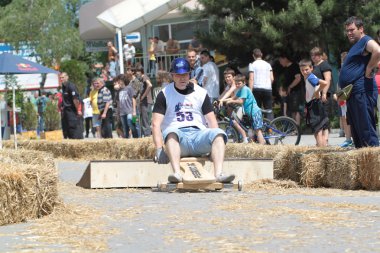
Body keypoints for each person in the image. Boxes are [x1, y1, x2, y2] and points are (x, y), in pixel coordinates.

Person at [152, 57, 235, 183]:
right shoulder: (164, 94)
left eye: (185, 74)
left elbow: (211, 121)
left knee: (218, 133)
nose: (182, 78)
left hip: (198, 137)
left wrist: (214, 146)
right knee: (170, 132)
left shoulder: (201, 92)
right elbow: (155, 124)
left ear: (189, 74)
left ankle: (218, 174)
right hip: (179, 140)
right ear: (172, 75)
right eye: (178, 75)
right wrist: (159, 149)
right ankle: (177, 174)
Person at [339, 16, 380, 148]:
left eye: (352, 30)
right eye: (347, 31)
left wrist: (369, 69)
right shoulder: (357, 45)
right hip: (353, 93)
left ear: (361, 29)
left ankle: (374, 163)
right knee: (357, 133)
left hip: (361, 90)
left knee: (366, 130)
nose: (349, 33)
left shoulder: (365, 40)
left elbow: (377, 50)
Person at [223, 74, 265, 144]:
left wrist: (231, 101)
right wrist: (221, 100)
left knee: (257, 131)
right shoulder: (241, 90)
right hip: (250, 113)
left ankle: (262, 148)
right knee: (251, 132)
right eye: (236, 84)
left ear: (244, 82)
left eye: (239, 84)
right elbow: (233, 98)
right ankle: (253, 146)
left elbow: (241, 101)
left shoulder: (245, 89)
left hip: (254, 112)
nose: (237, 85)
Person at [299, 59, 329, 147]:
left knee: (318, 130)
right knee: (318, 131)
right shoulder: (309, 77)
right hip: (312, 104)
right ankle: (322, 150)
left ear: (311, 68)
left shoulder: (310, 77)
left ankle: (321, 151)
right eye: (302, 70)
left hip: (315, 104)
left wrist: (317, 92)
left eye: (306, 69)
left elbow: (324, 83)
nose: (304, 72)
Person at [218, 68, 248, 143]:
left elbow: (229, 92)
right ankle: (237, 134)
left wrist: (222, 100)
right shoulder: (229, 85)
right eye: (225, 77)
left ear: (233, 77)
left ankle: (244, 138)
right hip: (236, 104)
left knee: (234, 121)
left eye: (229, 76)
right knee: (229, 114)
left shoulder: (235, 84)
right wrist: (218, 100)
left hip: (242, 105)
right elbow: (224, 92)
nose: (227, 79)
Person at [310, 47, 333, 143]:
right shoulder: (314, 66)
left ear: (320, 56)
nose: (313, 57)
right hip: (316, 95)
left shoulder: (324, 65)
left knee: (324, 118)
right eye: (312, 56)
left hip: (324, 94)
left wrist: (324, 93)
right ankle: (320, 141)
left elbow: (328, 80)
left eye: (315, 55)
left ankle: (325, 140)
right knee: (318, 119)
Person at [248, 48, 274, 120]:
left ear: (253, 56)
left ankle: (258, 127)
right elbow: (272, 78)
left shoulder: (252, 65)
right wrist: (268, 85)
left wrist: (250, 91)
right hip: (267, 89)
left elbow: (251, 79)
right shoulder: (268, 65)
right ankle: (271, 128)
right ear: (261, 55)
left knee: (256, 109)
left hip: (257, 89)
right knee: (269, 109)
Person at [278, 54, 303, 126]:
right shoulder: (285, 68)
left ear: (285, 58)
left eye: (280, 60)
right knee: (291, 110)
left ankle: (297, 127)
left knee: (296, 110)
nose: (280, 63)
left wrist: (290, 87)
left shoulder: (294, 66)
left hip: (296, 92)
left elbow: (298, 78)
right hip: (289, 92)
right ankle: (294, 127)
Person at [59, 72, 83, 139]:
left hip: (72, 110)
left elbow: (75, 99)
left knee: (73, 127)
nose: (61, 79)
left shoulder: (71, 86)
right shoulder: (63, 86)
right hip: (66, 110)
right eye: (60, 78)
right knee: (67, 128)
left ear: (67, 77)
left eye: (63, 77)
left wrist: (78, 110)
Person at [114, 74, 138, 138]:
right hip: (122, 113)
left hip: (130, 111)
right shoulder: (118, 90)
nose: (118, 82)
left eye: (119, 80)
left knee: (131, 123)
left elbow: (134, 99)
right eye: (118, 80)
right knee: (125, 128)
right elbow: (117, 102)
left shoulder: (129, 88)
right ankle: (127, 140)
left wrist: (134, 111)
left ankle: (136, 138)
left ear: (123, 80)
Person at [135, 66, 153, 137]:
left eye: (137, 71)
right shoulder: (139, 80)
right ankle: (145, 136)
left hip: (146, 102)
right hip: (142, 103)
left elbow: (150, 85)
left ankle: (147, 136)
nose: (136, 73)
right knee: (142, 121)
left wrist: (143, 96)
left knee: (145, 121)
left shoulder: (144, 77)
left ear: (141, 71)